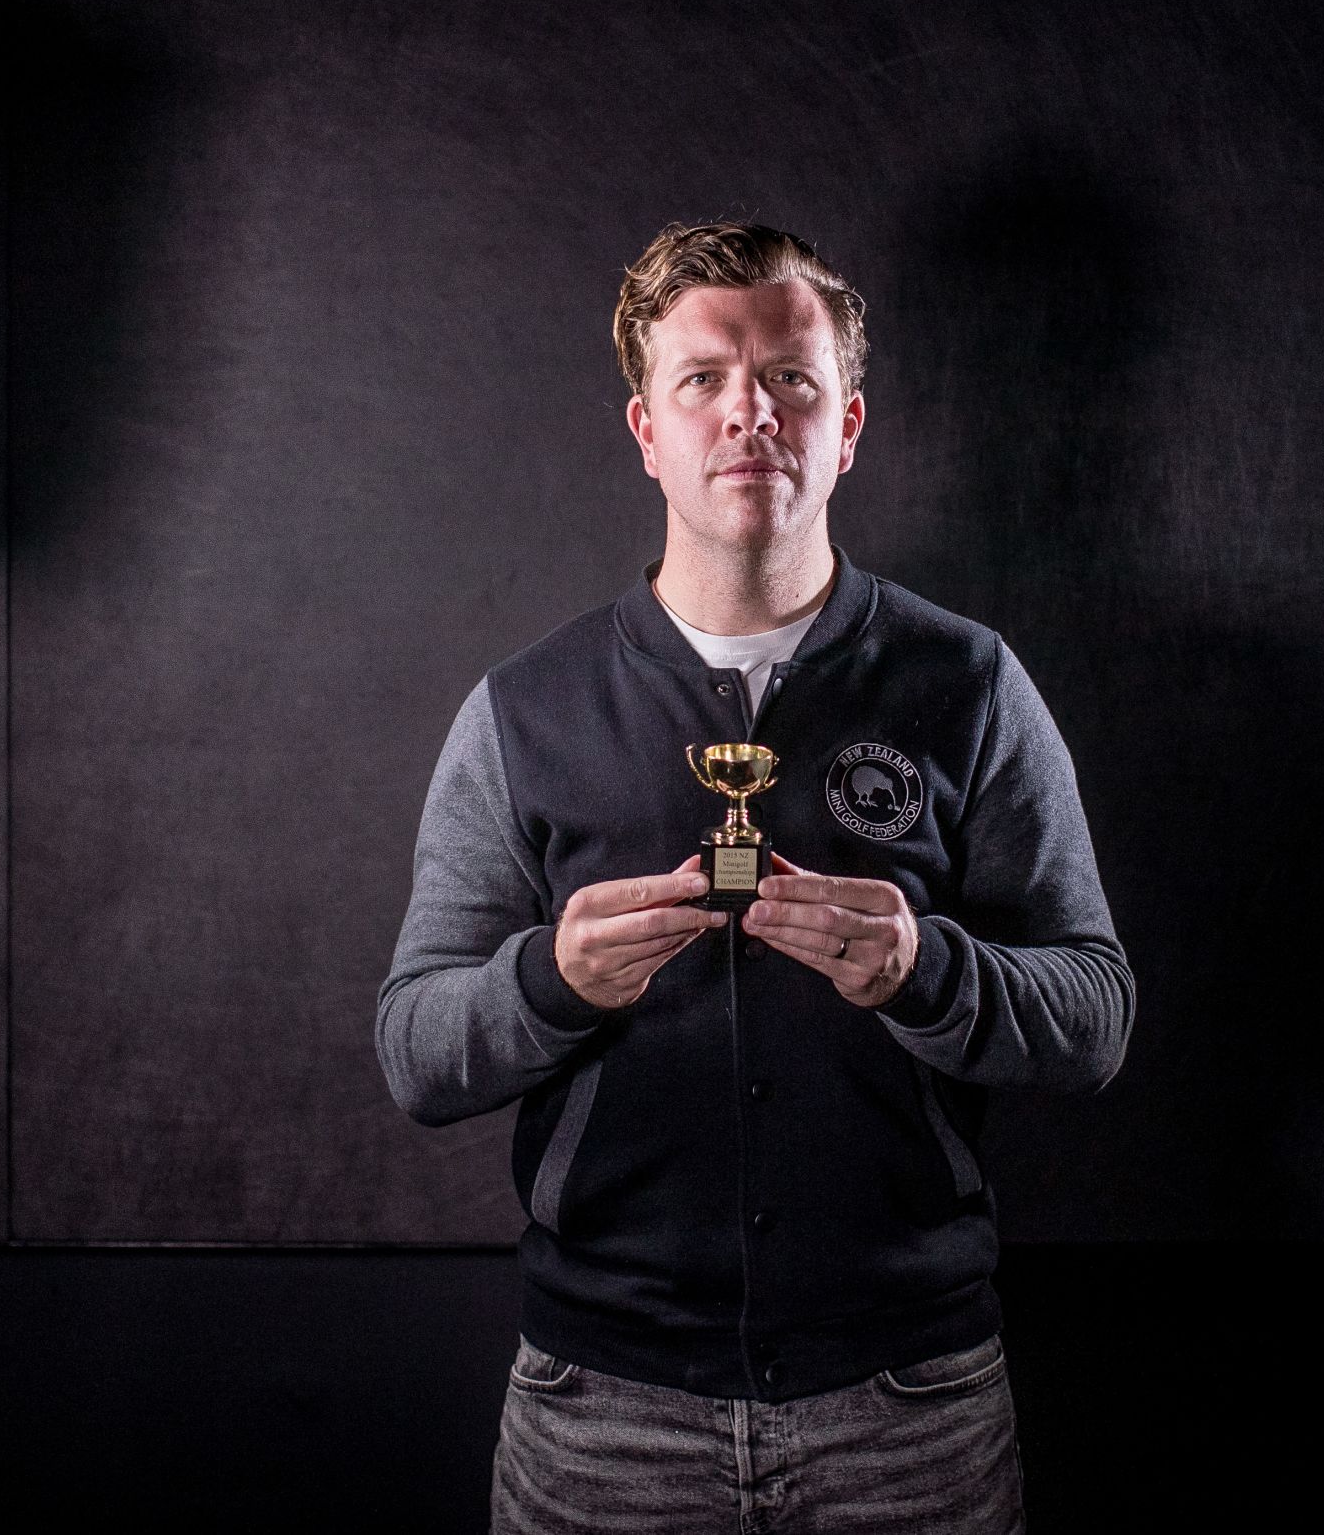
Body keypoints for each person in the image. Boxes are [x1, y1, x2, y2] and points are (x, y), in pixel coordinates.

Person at [376, 222, 1132, 1534]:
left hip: (912, 1409)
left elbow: (1096, 1018)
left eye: (789, 379)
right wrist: (548, 982)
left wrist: (926, 971)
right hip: (600, 1413)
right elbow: (414, 1049)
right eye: (704, 381)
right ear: (646, 430)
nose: (749, 415)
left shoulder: (969, 684)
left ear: (846, 425)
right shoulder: (523, 711)